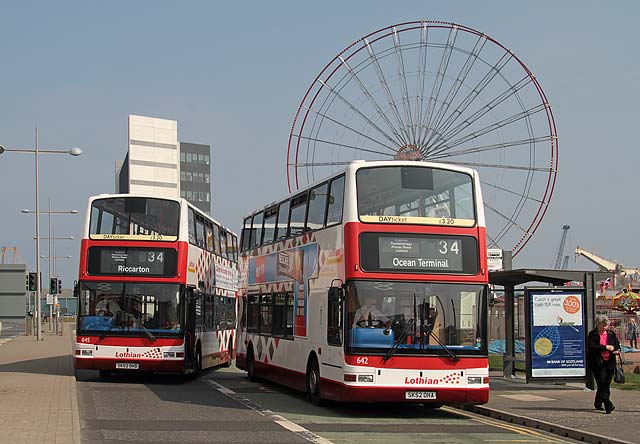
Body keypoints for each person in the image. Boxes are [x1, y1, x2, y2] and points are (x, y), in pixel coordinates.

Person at [587, 315, 621, 414]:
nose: (604, 328)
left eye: (606, 326)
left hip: (609, 363)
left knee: (605, 384)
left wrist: (616, 350)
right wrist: (605, 347)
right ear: (598, 325)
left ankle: (598, 402)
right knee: (602, 383)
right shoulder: (592, 335)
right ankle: (608, 404)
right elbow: (592, 347)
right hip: (597, 363)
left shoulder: (611, 334)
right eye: (602, 325)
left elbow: (616, 345)